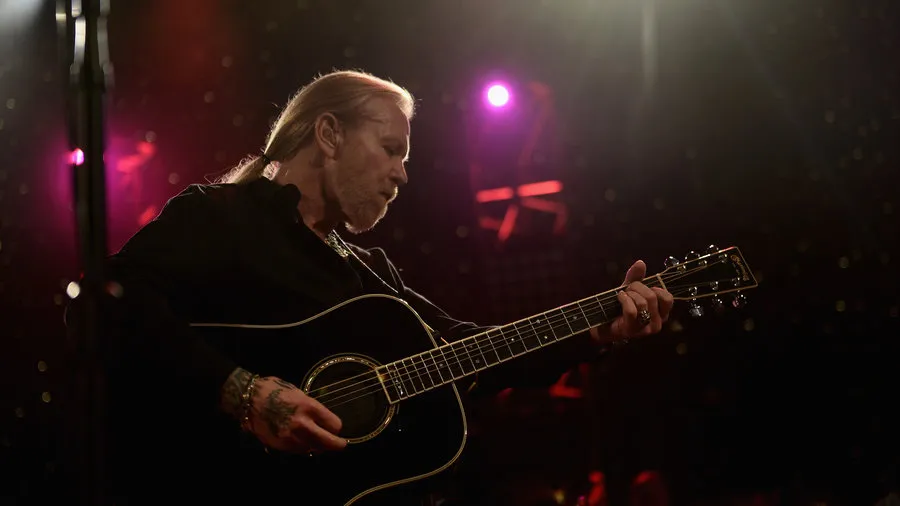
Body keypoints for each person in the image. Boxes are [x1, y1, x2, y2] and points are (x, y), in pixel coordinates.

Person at [65, 70, 673, 505]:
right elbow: (107, 304)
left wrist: (597, 327)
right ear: (328, 134)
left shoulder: (370, 272)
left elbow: (465, 351)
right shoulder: (221, 217)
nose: (402, 173)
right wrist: (243, 392)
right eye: (389, 149)